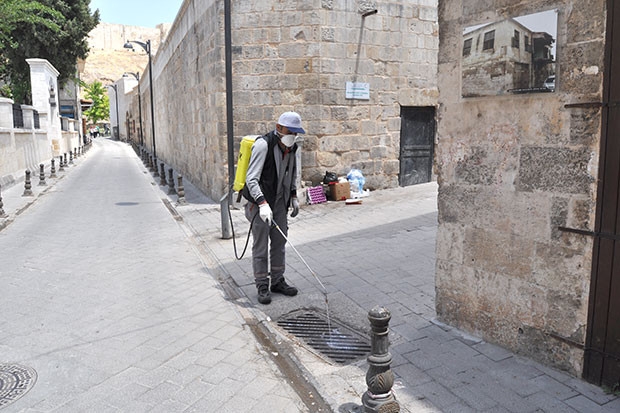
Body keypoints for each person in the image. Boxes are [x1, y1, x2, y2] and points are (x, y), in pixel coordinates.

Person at [243, 111, 305, 304]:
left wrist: (293, 196)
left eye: (296, 133)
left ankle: (277, 281)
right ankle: (262, 284)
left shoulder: (292, 147)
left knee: (279, 242)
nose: (293, 136)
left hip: (279, 203)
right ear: (279, 128)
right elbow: (251, 179)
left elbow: (291, 173)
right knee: (260, 245)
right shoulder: (263, 145)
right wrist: (262, 203)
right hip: (259, 203)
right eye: (290, 131)